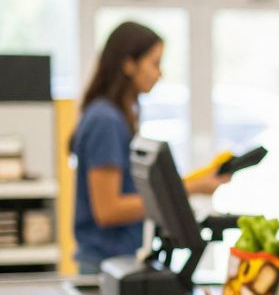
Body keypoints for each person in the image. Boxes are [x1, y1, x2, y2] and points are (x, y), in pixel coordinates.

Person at [71, 21, 226, 275]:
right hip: (104, 265)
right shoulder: (106, 121)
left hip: (117, 260)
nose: (160, 74)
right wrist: (188, 189)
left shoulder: (118, 116)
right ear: (128, 65)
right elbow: (108, 210)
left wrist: (192, 183)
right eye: (154, 63)